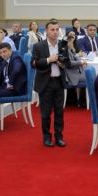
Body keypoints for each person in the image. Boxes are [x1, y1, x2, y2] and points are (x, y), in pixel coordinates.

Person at [31, 20, 72, 148]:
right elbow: (34, 63)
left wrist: (62, 64)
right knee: (46, 113)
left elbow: (68, 63)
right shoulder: (39, 46)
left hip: (59, 81)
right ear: (46, 31)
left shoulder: (62, 45)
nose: (55, 32)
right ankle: (47, 137)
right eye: (52, 29)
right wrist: (49, 60)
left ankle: (59, 137)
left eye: (57, 29)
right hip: (46, 83)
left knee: (59, 112)